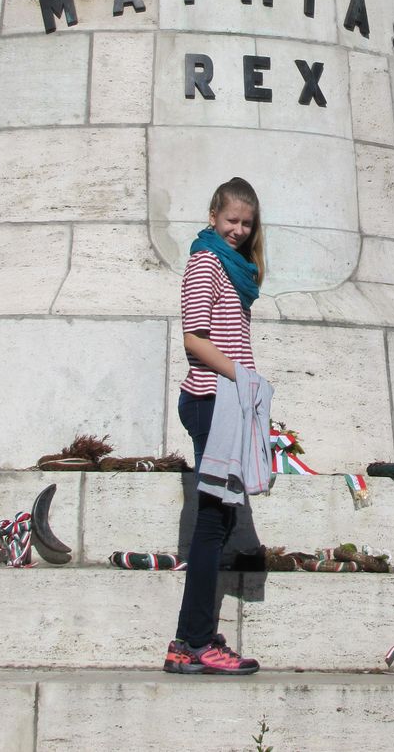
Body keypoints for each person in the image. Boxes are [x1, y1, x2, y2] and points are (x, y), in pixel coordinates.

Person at [164, 176, 267, 676]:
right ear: (213, 216)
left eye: (247, 223)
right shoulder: (206, 261)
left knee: (219, 522)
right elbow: (194, 339)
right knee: (211, 523)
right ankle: (194, 641)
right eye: (231, 220)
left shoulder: (234, 267)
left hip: (227, 401)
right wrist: (243, 378)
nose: (239, 230)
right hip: (212, 399)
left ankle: (195, 636)